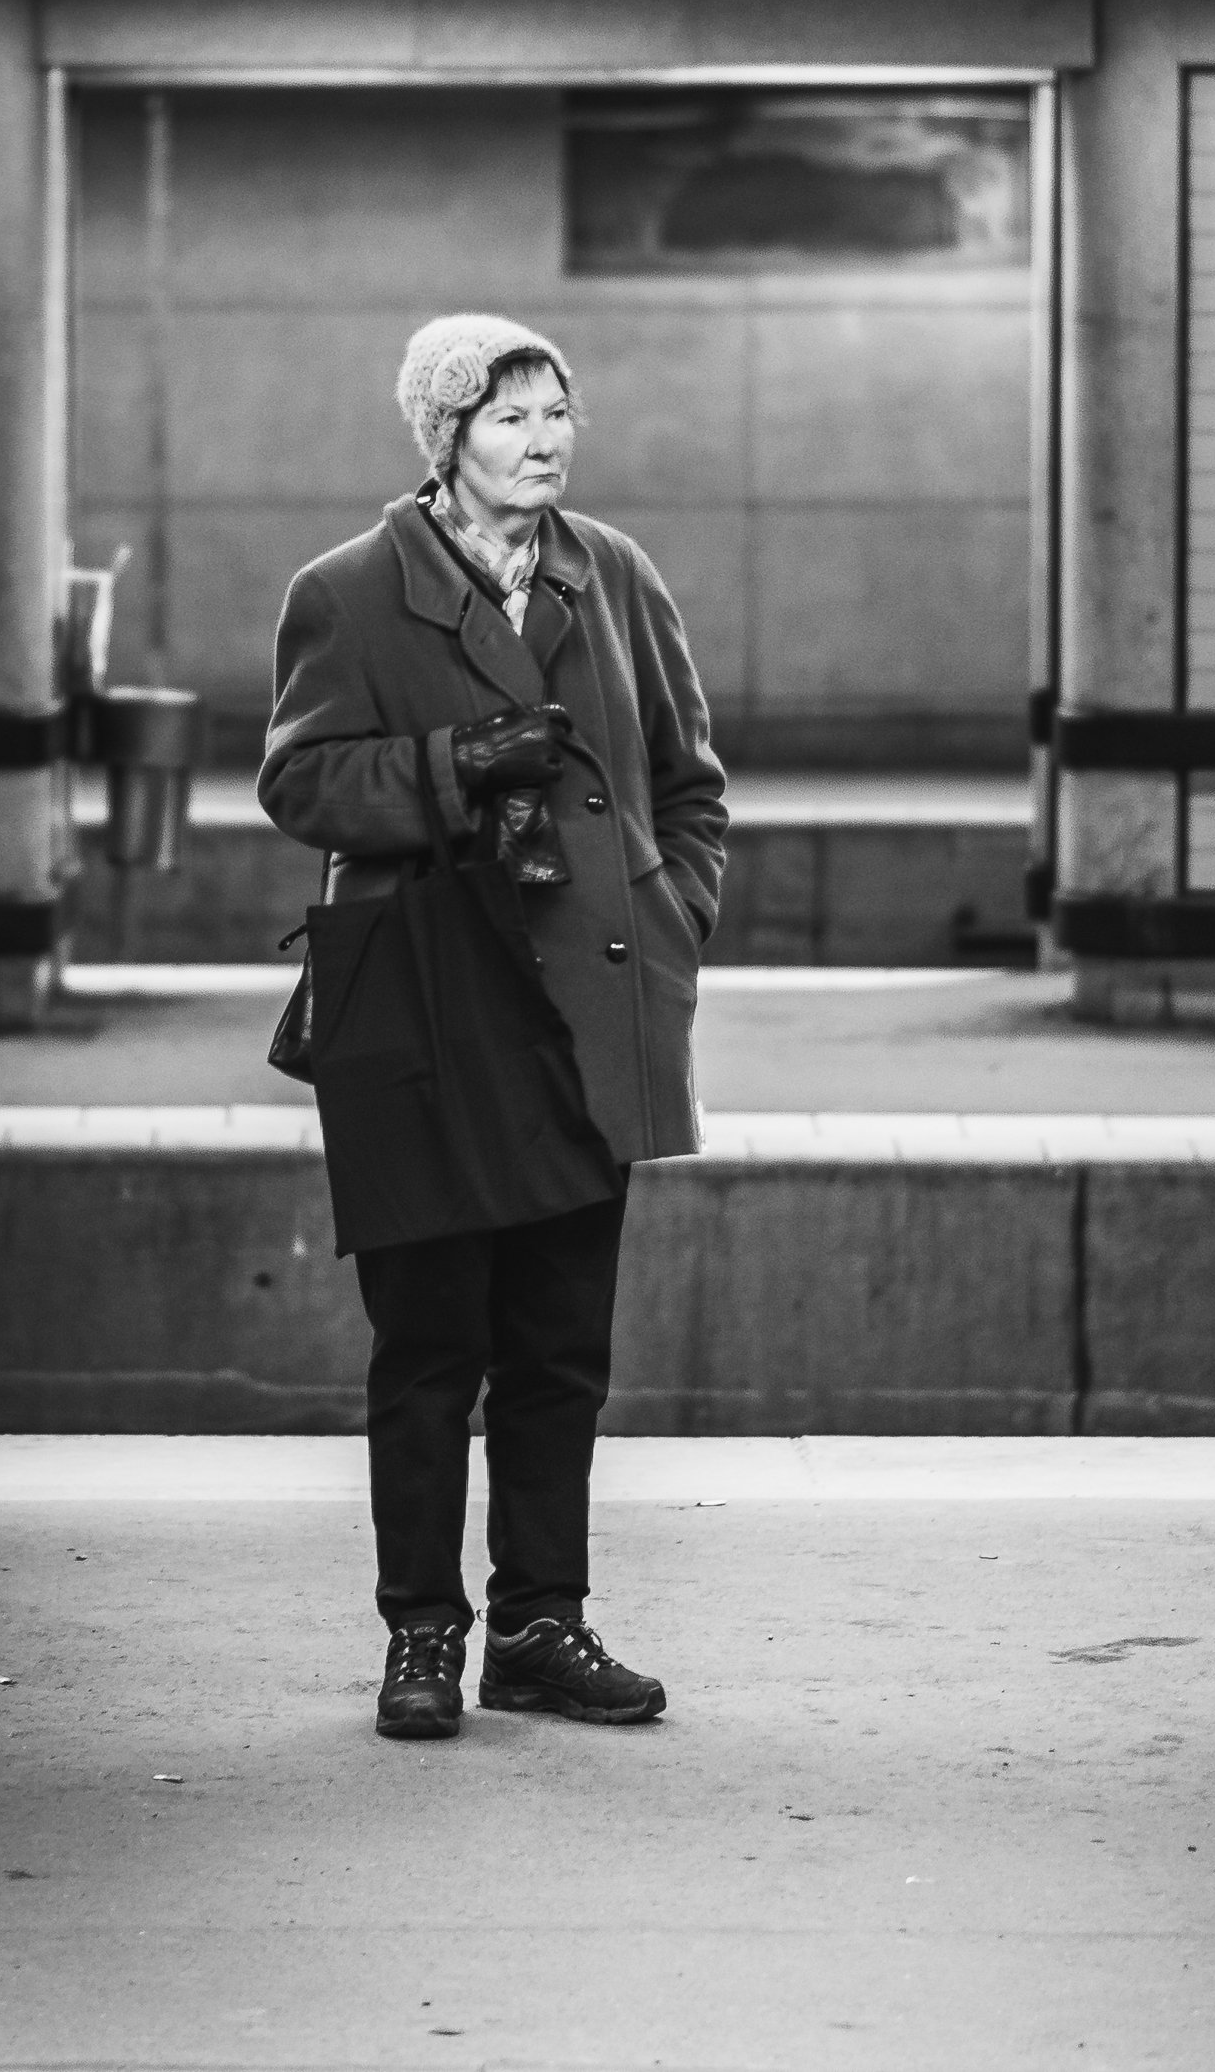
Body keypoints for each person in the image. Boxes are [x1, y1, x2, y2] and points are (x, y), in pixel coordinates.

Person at [259, 312, 726, 1741]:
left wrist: (671, 915)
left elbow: (693, 780)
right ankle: (421, 1633)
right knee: (426, 1349)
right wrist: (455, 763)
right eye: (512, 419)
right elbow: (302, 783)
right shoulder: (348, 592)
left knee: (559, 1347)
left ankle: (538, 1624)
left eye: (557, 416)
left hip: (583, 1004)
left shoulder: (617, 576)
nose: (545, 444)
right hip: (424, 1006)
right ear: (445, 438)